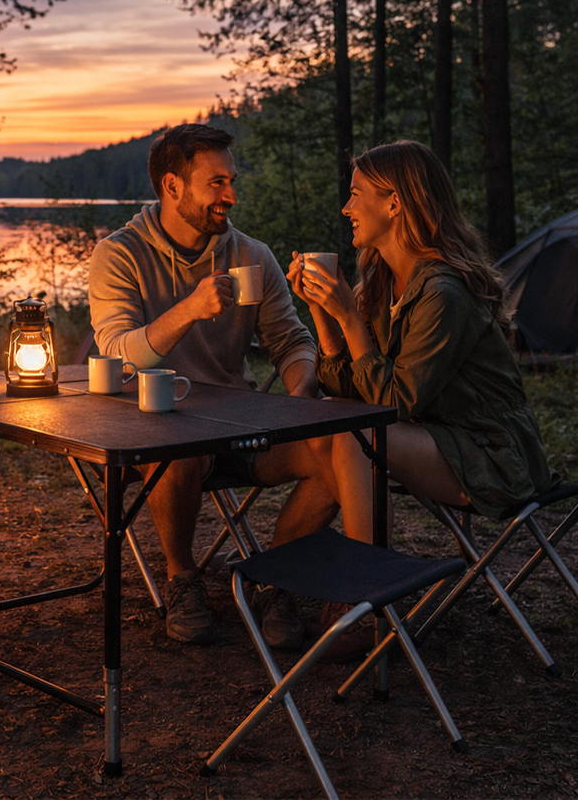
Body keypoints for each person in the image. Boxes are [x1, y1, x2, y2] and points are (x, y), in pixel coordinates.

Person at [88, 123, 340, 649]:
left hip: (240, 430)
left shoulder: (251, 255)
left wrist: (302, 399)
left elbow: (290, 341)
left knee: (339, 453)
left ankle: (277, 577)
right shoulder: (119, 255)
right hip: (154, 435)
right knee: (175, 448)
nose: (230, 195)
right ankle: (182, 578)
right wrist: (189, 310)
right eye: (215, 183)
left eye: (231, 181)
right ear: (172, 187)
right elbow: (117, 351)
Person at [286, 140, 557, 618]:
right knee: (336, 421)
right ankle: (287, 569)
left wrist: (350, 319)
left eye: (356, 194)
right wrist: (323, 314)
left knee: (355, 430)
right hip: (439, 439)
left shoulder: (442, 292)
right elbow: (352, 386)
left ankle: (365, 596)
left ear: (394, 202)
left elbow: (395, 401)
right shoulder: (383, 282)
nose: (346, 207)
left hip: (493, 455)